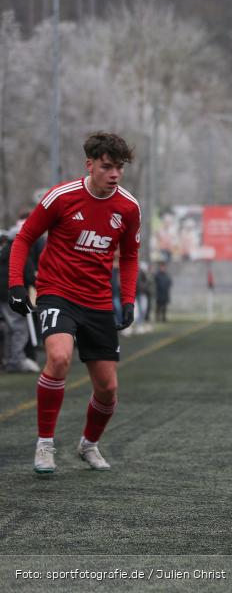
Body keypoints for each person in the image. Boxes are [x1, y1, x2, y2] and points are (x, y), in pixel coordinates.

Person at [7, 132, 141, 473]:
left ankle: (89, 445)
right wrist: (17, 284)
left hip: (97, 301)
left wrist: (126, 300)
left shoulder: (128, 207)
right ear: (90, 164)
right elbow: (24, 238)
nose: (114, 175)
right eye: (107, 167)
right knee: (59, 357)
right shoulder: (61, 197)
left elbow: (129, 256)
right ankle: (45, 445)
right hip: (57, 292)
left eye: (119, 168)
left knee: (108, 389)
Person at [0, 228, 40, 372]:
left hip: (3, 295)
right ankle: (17, 360)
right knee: (19, 328)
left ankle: (10, 359)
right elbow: (29, 275)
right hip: (12, 294)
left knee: (10, 329)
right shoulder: (20, 251)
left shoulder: (3, 252)